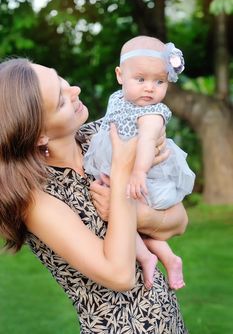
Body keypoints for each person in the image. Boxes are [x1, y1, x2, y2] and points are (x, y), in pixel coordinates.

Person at [0, 57, 188, 334]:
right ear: (39, 135)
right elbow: (119, 275)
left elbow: (179, 220)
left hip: (168, 320)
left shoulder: (99, 136)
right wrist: (123, 170)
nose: (74, 90)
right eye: (61, 100)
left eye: (61, 80)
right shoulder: (35, 198)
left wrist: (135, 214)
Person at [84, 35, 195, 290]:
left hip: (145, 175)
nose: (150, 88)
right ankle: (153, 257)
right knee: (119, 216)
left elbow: (146, 143)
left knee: (122, 214)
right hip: (118, 170)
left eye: (160, 81)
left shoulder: (152, 113)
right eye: (141, 79)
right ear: (120, 75)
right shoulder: (118, 99)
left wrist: (138, 173)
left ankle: (163, 258)